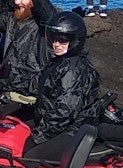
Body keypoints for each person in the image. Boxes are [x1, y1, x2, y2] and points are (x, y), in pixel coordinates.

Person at [23, 10, 102, 158]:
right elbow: (41, 86)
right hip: (53, 124)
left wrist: (38, 136)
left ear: (75, 41)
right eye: (53, 39)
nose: (56, 44)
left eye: (62, 41)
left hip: (73, 130)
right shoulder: (59, 62)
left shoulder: (74, 70)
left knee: (28, 158)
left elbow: (64, 111)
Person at [0, 0, 57, 109]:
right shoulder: (13, 19)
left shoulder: (45, 22)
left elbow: (50, 19)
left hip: (32, 90)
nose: (17, 2)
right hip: (10, 86)